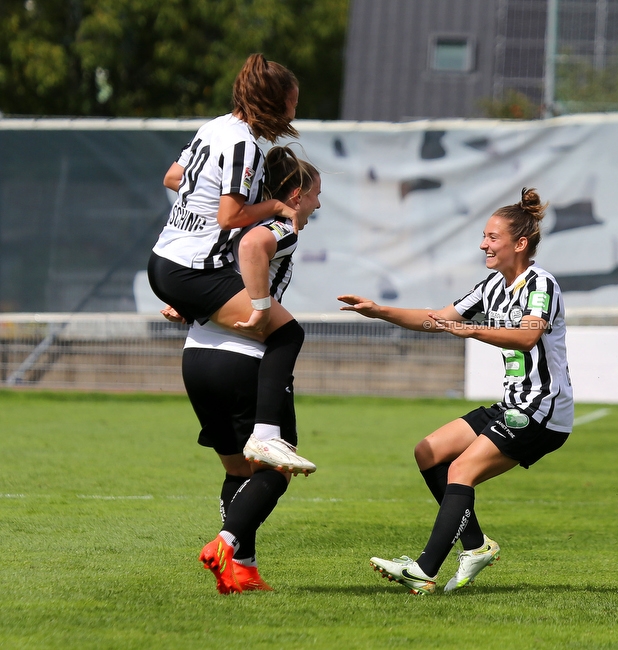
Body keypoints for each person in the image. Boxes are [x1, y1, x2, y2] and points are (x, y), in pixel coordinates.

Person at [338, 188, 574, 595]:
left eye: (492, 237)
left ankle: (424, 570)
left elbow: (527, 337)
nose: (484, 243)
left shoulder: (541, 283)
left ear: (520, 244)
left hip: (542, 410)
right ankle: (476, 545)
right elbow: (436, 319)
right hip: (513, 405)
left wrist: (473, 330)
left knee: (462, 469)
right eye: (484, 235)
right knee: (428, 452)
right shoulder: (490, 287)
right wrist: (380, 311)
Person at [147, 53, 314, 474]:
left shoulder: (215, 127)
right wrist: (275, 203)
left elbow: (172, 176)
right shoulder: (244, 144)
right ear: (273, 102)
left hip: (167, 259)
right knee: (286, 332)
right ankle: (266, 435)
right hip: (192, 269)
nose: (295, 111)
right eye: (292, 102)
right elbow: (229, 218)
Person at [165, 147, 321, 594]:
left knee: (239, 472)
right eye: (314, 195)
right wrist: (258, 306)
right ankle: (226, 543)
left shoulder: (224, 226)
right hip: (245, 362)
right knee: (275, 468)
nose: (316, 205)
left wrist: (187, 302)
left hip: (197, 358)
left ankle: (243, 571)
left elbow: (206, 273)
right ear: (294, 193)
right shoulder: (279, 225)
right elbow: (255, 246)